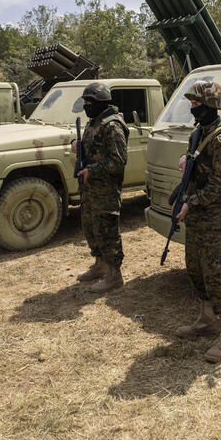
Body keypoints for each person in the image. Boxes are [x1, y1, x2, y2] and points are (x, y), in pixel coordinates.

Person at [174, 80, 221, 363]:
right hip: (198, 217)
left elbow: (218, 185)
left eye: (197, 104)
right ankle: (206, 319)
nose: (193, 108)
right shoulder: (200, 133)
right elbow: (197, 164)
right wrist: (185, 158)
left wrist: (190, 202)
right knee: (196, 268)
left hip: (215, 217)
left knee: (219, 275)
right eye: (191, 103)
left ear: (210, 105)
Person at [73, 82, 129, 293]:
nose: (86, 105)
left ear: (101, 103)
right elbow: (94, 148)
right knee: (91, 226)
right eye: (85, 101)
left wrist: (92, 171)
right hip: (91, 188)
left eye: (89, 101)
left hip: (105, 189)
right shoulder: (94, 122)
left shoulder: (112, 125)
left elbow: (118, 161)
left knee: (107, 230)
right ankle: (100, 264)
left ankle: (114, 274)